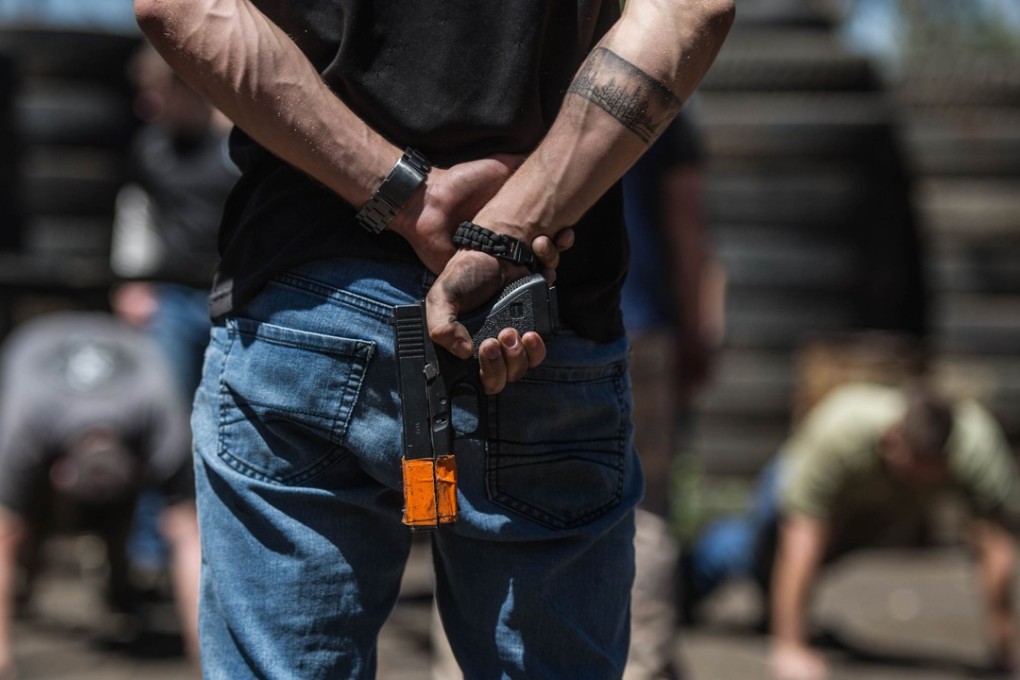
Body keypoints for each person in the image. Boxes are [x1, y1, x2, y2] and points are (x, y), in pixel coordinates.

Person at [134, 0, 735, 677]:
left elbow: (180, 7)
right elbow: (690, 12)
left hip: (305, 300)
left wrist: (406, 197)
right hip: (538, 305)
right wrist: (513, 222)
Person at [684, 381, 1020, 680]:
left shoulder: (977, 449)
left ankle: (773, 605)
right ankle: (679, 585)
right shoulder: (842, 432)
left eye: (929, 472)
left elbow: (996, 546)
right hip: (795, 484)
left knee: (815, 557)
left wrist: (1005, 646)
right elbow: (801, 537)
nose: (920, 479)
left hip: (868, 509)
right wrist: (791, 647)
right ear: (894, 441)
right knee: (750, 552)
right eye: (913, 467)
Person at [0, 312, 201, 678]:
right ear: (56, 475)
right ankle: (28, 592)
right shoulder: (23, 425)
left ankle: (121, 589)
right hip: (38, 339)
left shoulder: (162, 420)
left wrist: (204, 656)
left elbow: (187, 531)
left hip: (120, 360)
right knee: (19, 522)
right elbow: (6, 530)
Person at [110, 42, 239, 576]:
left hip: (232, 301)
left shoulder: (234, 146)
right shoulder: (151, 147)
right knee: (160, 425)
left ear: (186, 87)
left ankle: (220, 544)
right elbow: (135, 209)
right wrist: (129, 281)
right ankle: (150, 552)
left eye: (155, 94)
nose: (147, 106)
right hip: (170, 300)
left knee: (230, 419)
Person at [620, 107, 723, 679]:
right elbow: (687, 226)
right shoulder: (657, 95)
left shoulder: (532, 65)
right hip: (638, 329)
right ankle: (641, 666)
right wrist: (697, 330)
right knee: (644, 509)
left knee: (489, 504)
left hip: (524, 322)